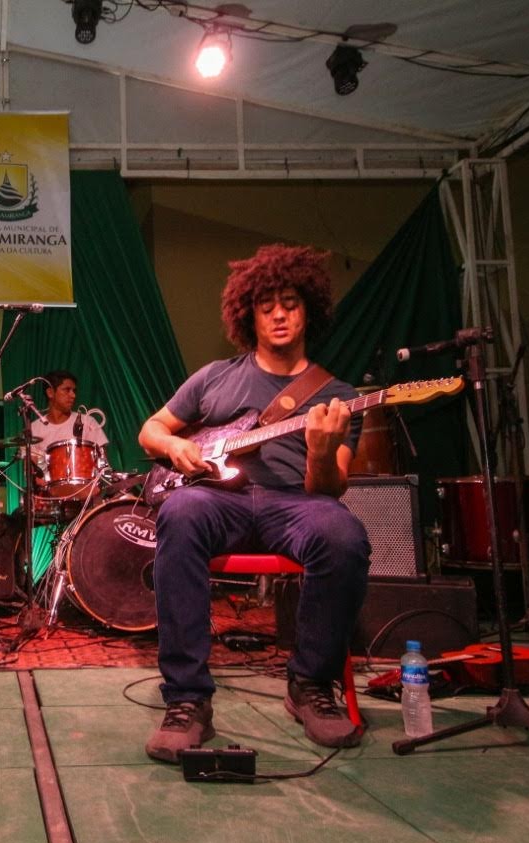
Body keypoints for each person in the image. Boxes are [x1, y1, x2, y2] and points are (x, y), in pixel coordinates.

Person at [137, 244, 370, 761]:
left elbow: (330, 489)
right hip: (220, 497)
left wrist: (321, 451)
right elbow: (151, 429)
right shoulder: (215, 376)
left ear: (309, 310)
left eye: (290, 303)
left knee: (343, 535)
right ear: (249, 316)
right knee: (180, 512)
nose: (279, 314)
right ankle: (188, 698)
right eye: (267, 307)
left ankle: (310, 684)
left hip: (296, 502)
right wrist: (175, 446)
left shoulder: (338, 395)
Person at [28, 369, 110, 475]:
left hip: (86, 483)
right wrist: (40, 480)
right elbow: (32, 471)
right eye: (67, 390)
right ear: (50, 392)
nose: (73, 395)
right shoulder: (34, 429)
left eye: (74, 391)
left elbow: (103, 463)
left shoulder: (88, 422)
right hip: (50, 484)